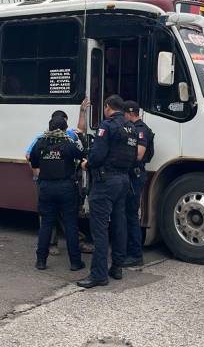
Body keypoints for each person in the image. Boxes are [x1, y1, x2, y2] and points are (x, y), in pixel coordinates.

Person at [77, 95, 138, 289]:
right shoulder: (131, 128)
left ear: (107, 107)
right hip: (123, 180)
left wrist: (87, 164)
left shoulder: (107, 125)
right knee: (119, 224)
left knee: (100, 229)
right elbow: (133, 156)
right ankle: (117, 267)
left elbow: (97, 155)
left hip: (105, 182)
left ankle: (98, 275)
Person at [25, 99, 93, 255]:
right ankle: (57, 245)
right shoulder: (42, 138)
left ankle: (46, 253)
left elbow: (80, 129)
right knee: (58, 217)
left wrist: (82, 111)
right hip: (57, 183)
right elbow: (29, 155)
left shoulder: (64, 136)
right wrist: (40, 175)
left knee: (57, 216)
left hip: (52, 183)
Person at [29, 117, 85, 271]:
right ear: (64, 129)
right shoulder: (68, 143)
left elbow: (34, 162)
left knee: (46, 224)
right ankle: (75, 262)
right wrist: (80, 138)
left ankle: (41, 261)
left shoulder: (40, 143)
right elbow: (82, 154)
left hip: (46, 187)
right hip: (66, 187)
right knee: (70, 224)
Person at [122, 100, 155, 267]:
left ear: (129, 113)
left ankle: (135, 254)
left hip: (135, 176)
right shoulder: (135, 128)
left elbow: (139, 154)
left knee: (131, 215)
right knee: (127, 214)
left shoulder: (140, 130)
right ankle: (128, 250)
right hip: (132, 175)